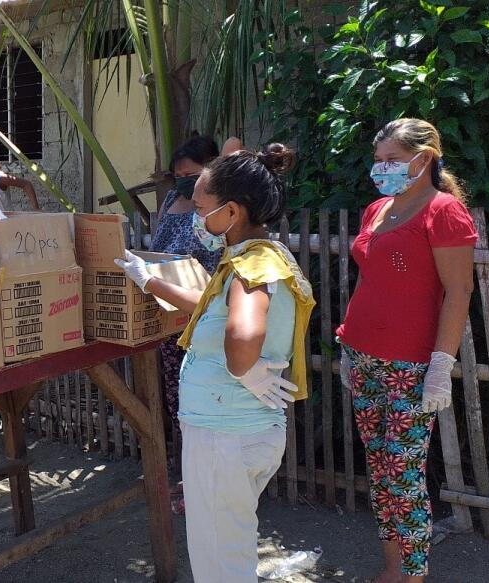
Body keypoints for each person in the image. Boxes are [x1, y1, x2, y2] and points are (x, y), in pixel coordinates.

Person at [116, 145, 315, 582]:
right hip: (238, 430)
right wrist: (149, 280)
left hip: (225, 437)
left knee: (218, 561)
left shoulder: (251, 264)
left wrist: (247, 366)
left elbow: (242, 334)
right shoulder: (260, 256)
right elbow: (211, 306)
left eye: (202, 208)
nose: (195, 218)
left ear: (232, 211)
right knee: (231, 545)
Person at [337, 118, 476, 583]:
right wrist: (346, 339)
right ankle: (393, 568)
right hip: (363, 354)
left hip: (409, 364)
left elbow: (459, 292)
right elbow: (371, 277)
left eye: (392, 160)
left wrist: (441, 365)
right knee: (379, 468)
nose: (382, 169)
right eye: (379, 161)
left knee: (403, 474)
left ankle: (413, 576)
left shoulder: (445, 212)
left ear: (425, 158)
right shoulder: (376, 209)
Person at [148, 134, 222, 514]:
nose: (182, 182)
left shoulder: (216, 208)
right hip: (169, 319)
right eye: (177, 175)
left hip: (205, 317)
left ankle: (207, 484)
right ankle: (191, 477)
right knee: (181, 408)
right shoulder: (170, 201)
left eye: (190, 174)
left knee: (206, 405)